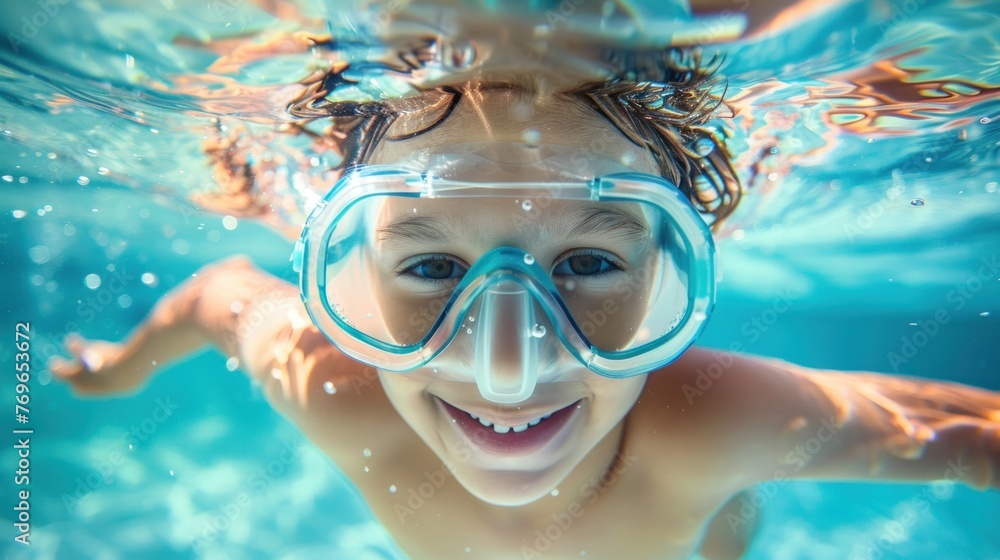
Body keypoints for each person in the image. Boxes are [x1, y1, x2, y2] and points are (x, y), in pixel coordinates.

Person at [51, 1, 999, 558]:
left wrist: (127, 368)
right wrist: (124, 367)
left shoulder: (716, 426)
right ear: (353, 282)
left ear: (676, 270)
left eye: (588, 263)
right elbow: (217, 291)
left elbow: (964, 438)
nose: (507, 368)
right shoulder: (332, 383)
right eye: (428, 267)